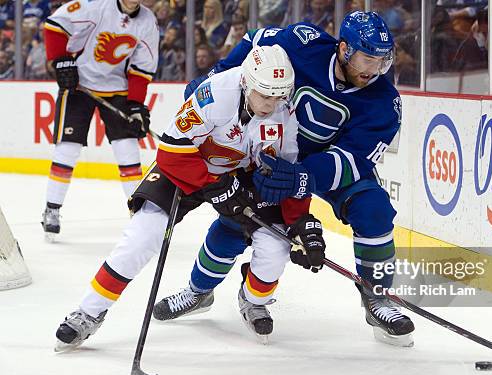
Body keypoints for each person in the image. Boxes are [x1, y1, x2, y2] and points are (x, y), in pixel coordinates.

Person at [54, 45, 326, 351]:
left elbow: (286, 174)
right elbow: (171, 154)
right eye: (266, 95)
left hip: (240, 174)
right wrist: (214, 185)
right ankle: (89, 312)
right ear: (246, 82)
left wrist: (298, 222)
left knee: (276, 247)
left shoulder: (285, 113)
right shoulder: (215, 93)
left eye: (279, 95)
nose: (272, 103)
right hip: (187, 166)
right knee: (143, 235)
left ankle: (253, 301)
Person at [184, 11, 416, 347]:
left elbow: (352, 160)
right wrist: (216, 78)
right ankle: (198, 290)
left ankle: (377, 298)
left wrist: (303, 178)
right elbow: (254, 42)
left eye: (383, 62)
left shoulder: (385, 101)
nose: (375, 70)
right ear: (345, 49)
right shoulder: (303, 42)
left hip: (322, 167)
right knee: (239, 218)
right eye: (368, 59)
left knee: (374, 210)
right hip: (272, 149)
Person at [41, 0, 159, 240]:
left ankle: (137, 214)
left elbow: (141, 68)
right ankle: (52, 209)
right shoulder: (94, 5)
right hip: (79, 85)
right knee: (68, 149)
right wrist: (61, 59)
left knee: (128, 151)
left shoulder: (148, 22)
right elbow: (55, 25)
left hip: (118, 89)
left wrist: (136, 104)